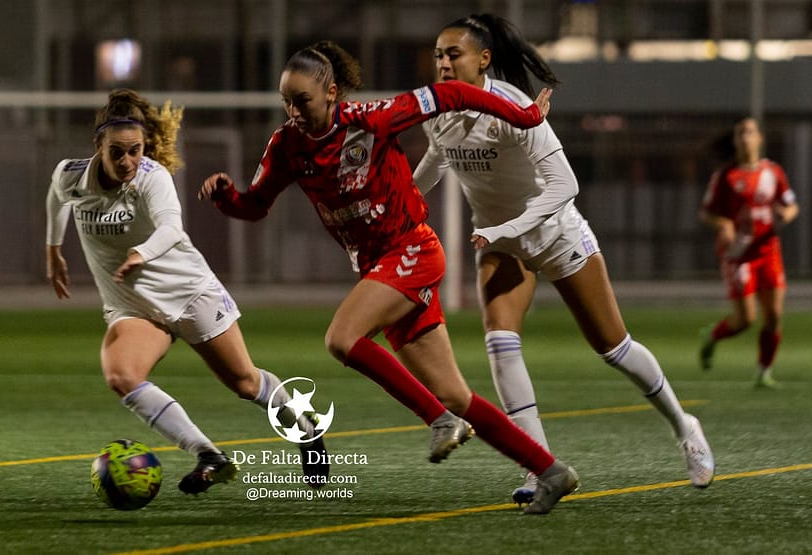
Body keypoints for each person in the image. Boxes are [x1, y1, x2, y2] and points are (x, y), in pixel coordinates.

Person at [198, 40, 578, 515]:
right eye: (286, 101)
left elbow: (451, 95)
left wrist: (523, 117)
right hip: (381, 268)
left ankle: (439, 420)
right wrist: (227, 197)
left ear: (331, 93)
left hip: (412, 250)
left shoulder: (372, 118)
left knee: (341, 339)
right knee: (456, 394)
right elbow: (256, 205)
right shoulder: (287, 145)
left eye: (302, 100)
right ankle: (550, 471)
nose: (293, 111)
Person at [411, 14, 715, 505]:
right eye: (438, 55)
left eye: (454, 54)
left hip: (555, 235)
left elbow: (564, 185)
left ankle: (685, 426)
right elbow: (437, 157)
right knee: (501, 343)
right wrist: (401, 202)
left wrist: (505, 228)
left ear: (484, 60)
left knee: (613, 347)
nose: (443, 64)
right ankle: (539, 467)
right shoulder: (436, 109)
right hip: (500, 244)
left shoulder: (513, 107)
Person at [45, 88, 329, 496]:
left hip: (190, 293)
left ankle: (306, 428)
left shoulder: (152, 177)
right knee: (121, 375)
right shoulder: (70, 174)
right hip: (134, 307)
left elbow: (171, 228)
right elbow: (57, 198)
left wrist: (142, 253)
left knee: (245, 383)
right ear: (97, 147)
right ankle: (209, 455)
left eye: (135, 151)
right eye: (116, 152)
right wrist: (53, 249)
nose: (127, 161)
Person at [698, 116, 799, 387]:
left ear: (759, 138)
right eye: (740, 133)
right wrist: (723, 223)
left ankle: (764, 373)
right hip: (738, 255)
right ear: (735, 141)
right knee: (745, 320)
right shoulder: (725, 177)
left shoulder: (773, 172)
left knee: (774, 315)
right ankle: (712, 336)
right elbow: (707, 213)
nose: (745, 137)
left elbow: (791, 204)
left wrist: (786, 215)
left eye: (750, 132)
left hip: (768, 251)